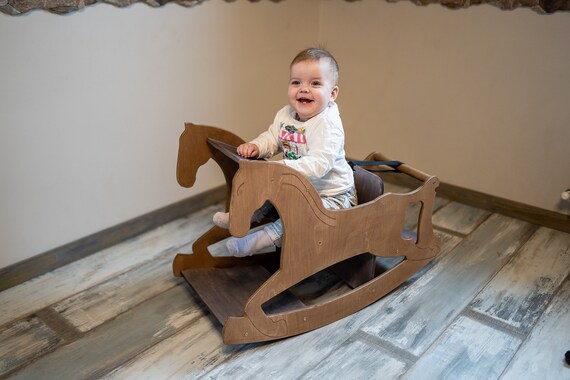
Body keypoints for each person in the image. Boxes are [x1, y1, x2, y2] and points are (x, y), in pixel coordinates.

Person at [214, 47, 357, 257]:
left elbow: (318, 164)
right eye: (296, 82)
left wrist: (281, 168)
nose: (304, 89)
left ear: (333, 93)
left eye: (315, 83)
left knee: (297, 215)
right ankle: (240, 216)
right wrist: (256, 146)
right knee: (267, 194)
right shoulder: (286, 114)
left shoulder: (328, 125)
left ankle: (257, 242)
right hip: (299, 186)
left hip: (332, 196)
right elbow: (273, 138)